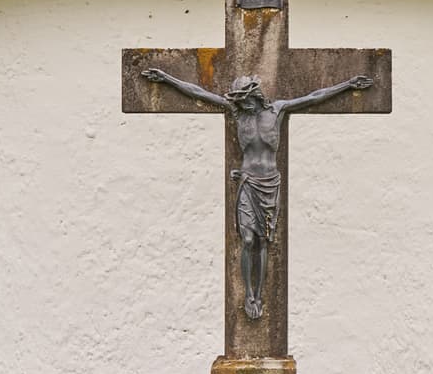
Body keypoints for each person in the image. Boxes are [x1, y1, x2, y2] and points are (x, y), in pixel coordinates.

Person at [139, 68, 371, 319]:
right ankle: (248, 294)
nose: (241, 103)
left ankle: (259, 295)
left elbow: (314, 97)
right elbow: (200, 93)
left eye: (244, 99)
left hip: (270, 183)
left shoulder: (277, 110)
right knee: (247, 240)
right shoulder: (237, 113)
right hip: (248, 183)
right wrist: (167, 79)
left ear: (254, 95)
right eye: (238, 100)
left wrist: (348, 85)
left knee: (263, 242)